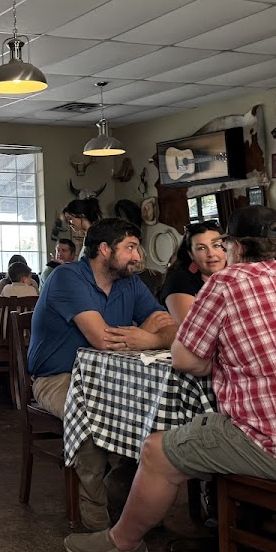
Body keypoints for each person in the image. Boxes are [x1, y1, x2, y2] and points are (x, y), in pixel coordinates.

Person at [64, 206, 276, 552]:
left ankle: (122, 543)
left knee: (157, 450)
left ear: (234, 246)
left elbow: (187, 359)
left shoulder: (228, 282)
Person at [28, 218, 177, 531]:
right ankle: (96, 519)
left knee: (155, 416)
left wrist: (148, 337)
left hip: (112, 377)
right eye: (131, 248)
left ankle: (119, 492)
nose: (138, 256)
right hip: (58, 377)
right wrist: (141, 330)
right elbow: (103, 340)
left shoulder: (130, 282)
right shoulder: (67, 277)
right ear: (105, 249)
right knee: (91, 413)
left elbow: (174, 330)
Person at [159, 221, 227, 324]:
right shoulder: (179, 279)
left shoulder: (236, 275)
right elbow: (192, 330)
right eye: (201, 248)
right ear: (191, 254)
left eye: (216, 245)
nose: (211, 254)